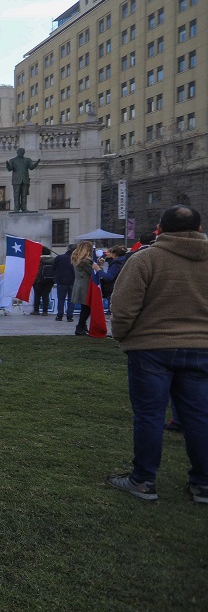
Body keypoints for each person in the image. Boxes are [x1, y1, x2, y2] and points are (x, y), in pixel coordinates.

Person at [105, 205, 208, 503]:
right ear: (198, 230)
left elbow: (123, 308)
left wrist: (122, 336)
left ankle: (143, 480)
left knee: (149, 415)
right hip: (200, 348)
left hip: (150, 349)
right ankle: (202, 484)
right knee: (199, 416)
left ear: (160, 229)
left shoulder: (146, 258)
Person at [70, 241, 95, 336]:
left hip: (79, 283)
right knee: (87, 307)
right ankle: (80, 327)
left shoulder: (77, 258)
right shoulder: (86, 261)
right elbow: (92, 272)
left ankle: (83, 326)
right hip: (85, 285)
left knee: (85, 307)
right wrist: (99, 266)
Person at [52, 244, 76, 322]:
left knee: (61, 299)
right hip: (73, 281)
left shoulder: (60, 257)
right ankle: (70, 316)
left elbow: (54, 268)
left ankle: (59, 315)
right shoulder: (77, 259)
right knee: (71, 300)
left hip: (61, 281)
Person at [32, 250, 56, 315]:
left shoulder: (37, 260)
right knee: (45, 295)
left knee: (37, 295)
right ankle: (45, 311)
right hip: (50, 280)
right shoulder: (53, 260)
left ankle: (36, 310)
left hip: (38, 280)